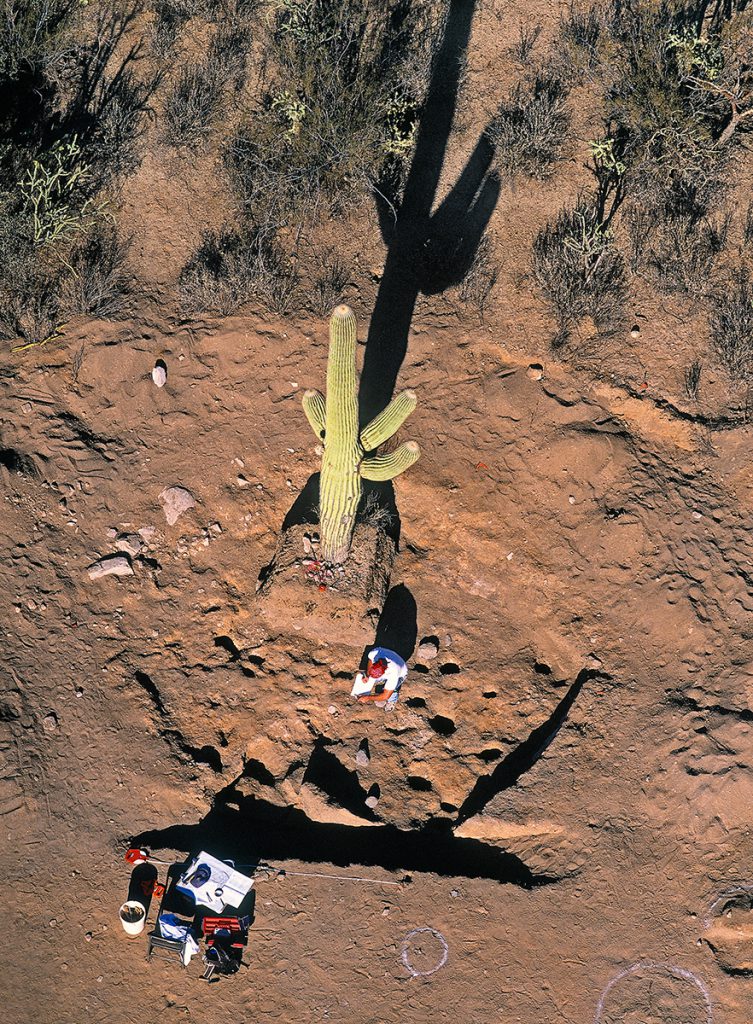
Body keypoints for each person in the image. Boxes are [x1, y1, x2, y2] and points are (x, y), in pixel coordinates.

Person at [351, 646, 408, 711]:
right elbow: (370, 661)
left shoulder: (393, 673)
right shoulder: (374, 653)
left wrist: (368, 697)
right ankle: (380, 684)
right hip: (392, 658)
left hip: (401, 674)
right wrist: (367, 675)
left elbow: (386, 696)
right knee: (370, 679)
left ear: (384, 672)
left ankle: (392, 700)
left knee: (392, 689)